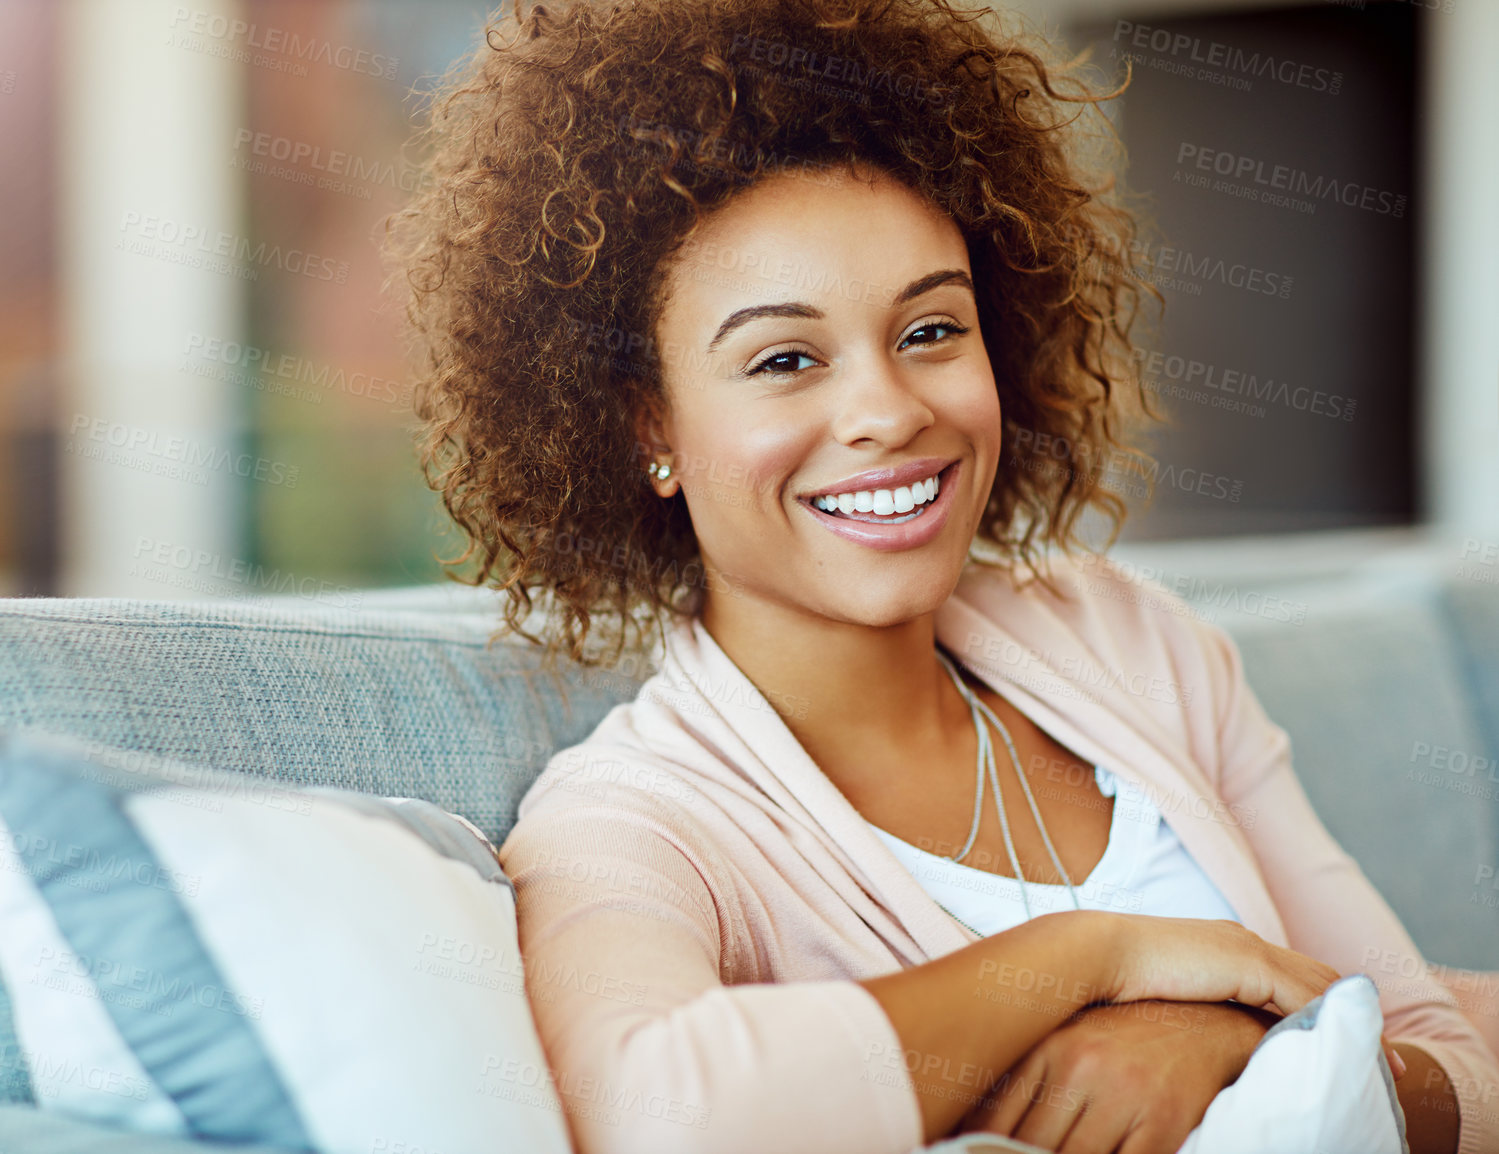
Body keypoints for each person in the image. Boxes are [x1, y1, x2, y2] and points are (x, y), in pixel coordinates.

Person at [383, 1, 1499, 1151]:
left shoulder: (1133, 642)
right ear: (646, 423)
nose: (887, 410)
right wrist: (1089, 959)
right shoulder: (636, 818)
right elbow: (656, 1112)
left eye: (929, 331)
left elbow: (1452, 1062)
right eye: (784, 358)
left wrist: (1228, 1040)